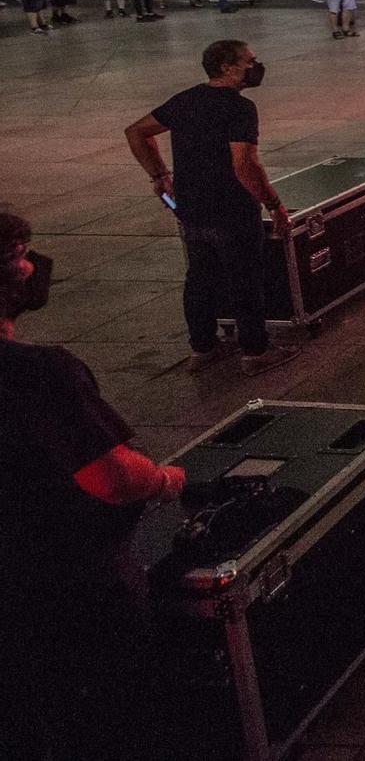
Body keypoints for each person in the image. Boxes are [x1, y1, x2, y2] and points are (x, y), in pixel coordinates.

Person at [1, 212, 184, 761]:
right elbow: (111, 478)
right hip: (58, 584)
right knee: (101, 715)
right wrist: (164, 481)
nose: (32, 267)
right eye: (19, 256)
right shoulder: (38, 373)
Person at [122, 39, 296, 373]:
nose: (255, 67)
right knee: (245, 279)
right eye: (249, 61)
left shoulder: (186, 100)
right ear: (227, 67)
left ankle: (202, 347)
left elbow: (136, 132)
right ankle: (255, 352)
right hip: (230, 206)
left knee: (200, 277)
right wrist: (274, 204)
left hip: (190, 204)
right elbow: (245, 164)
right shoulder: (238, 108)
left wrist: (159, 176)